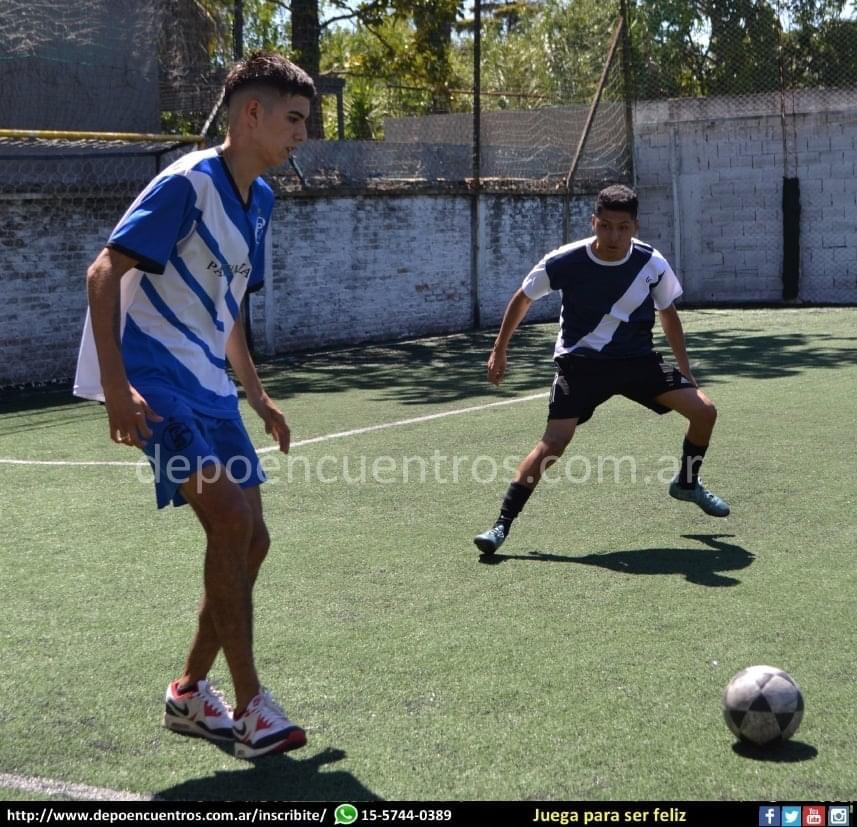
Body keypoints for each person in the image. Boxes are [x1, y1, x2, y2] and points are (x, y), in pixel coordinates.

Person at [73, 52, 316, 759]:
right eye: (294, 119)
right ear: (252, 114)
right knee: (231, 519)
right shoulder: (185, 183)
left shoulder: (261, 201)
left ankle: (187, 693)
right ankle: (251, 707)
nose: (302, 135)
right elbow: (102, 271)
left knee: (253, 539)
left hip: (212, 387)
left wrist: (258, 395)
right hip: (158, 381)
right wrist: (117, 387)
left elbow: (227, 309)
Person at [473, 184, 729, 555]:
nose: (613, 236)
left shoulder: (651, 262)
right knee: (554, 442)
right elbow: (523, 297)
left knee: (705, 412)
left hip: (637, 361)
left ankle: (687, 483)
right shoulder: (565, 260)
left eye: (623, 228)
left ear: (635, 227)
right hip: (581, 364)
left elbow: (668, 315)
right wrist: (499, 350)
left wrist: (685, 371)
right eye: (605, 226)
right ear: (593, 222)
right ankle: (501, 525)